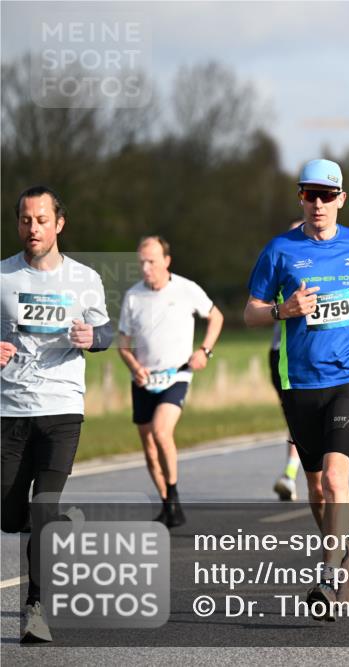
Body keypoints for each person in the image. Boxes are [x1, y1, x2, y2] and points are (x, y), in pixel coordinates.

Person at [244, 159, 349, 619]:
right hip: (299, 381)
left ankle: (328, 571)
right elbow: (250, 312)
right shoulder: (280, 250)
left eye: (328, 195)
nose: (319, 203)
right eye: (311, 195)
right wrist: (283, 311)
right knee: (314, 487)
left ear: (342, 199)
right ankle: (343, 554)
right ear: (300, 198)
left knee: (334, 477)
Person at [1, 186, 113, 643]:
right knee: (9, 517)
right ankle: (57, 525)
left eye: (42, 220)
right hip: (10, 409)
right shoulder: (3, 276)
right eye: (26, 220)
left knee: (42, 504)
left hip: (63, 408)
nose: (33, 228)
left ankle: (35, 608)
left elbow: (106, 330)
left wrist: (93, 337)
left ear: (58, 223)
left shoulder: (84, 279)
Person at [118, 237, 224, 526]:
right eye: (141, 262)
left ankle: (174, 496)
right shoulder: (133, 296)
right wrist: (134, 366)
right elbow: (123, 344)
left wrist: (205, 351)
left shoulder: (186, 289)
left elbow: (216, 317)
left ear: (166, 260)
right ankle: (167, 504)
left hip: (176, 374)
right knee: (149, 447)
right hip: (142, 380)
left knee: (161, 432)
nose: (145, 268)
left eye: (151, 261)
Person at [271, 220, 304, 502]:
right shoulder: (279, 259)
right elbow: (255, 306)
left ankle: (293, 471)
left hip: (326, 357)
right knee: (294, 415)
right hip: (282, 354)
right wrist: (282, 309)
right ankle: (292, 473)